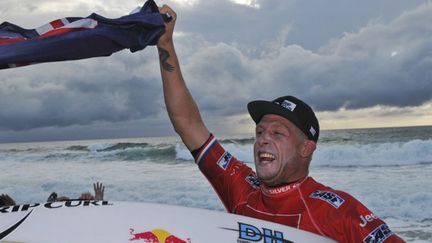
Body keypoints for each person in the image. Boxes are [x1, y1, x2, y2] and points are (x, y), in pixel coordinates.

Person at [156, 5, 405, 243]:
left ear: (306, 148)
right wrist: (166, 43)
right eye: (260, 131)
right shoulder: (242, 188)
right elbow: (186, 122)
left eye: (278, 133)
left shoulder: (337, 211)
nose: (263, 139)